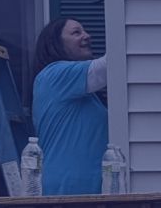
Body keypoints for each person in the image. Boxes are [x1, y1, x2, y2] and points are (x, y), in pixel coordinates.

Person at [31, 17, 110, 196]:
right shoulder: (54, 74)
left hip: (81, 190)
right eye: (76, 32)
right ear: (55, 43)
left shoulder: (82, 93)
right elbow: (107, 68)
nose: (87, 36)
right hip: (67, 191)